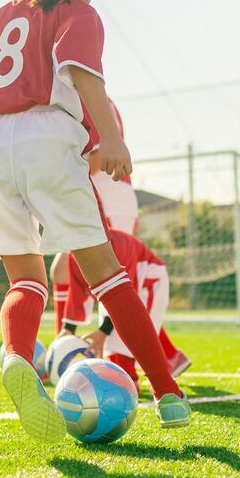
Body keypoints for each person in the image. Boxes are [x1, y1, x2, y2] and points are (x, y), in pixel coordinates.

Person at [0, 0, 189, 443]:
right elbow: (80, 72)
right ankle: (169, 394)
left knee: (26, 279)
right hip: (49, 137)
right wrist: (111, 138)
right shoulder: (79, 13)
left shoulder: (1, 15)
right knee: (108, 274)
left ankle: (16, 357)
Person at [49, 97, 190, 377]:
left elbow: (100, 157)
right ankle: (64, 351)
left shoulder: (83, 94)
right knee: (65, 270)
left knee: (111, 279)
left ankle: (93, 356)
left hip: (108, 193)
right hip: (107, 194)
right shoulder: (70, 90)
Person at [61, 227, 171, 394]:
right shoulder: (75, 250)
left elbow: (126, 297)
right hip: (119, 291)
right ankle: (169, 360)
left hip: (149, 283)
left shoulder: (120, 245)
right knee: (112, 349)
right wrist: (68, 330)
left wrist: (103, 332)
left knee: (125, 336)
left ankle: (141, 382)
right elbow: (77, 292)